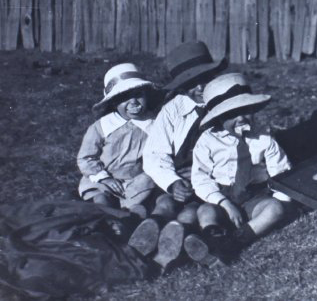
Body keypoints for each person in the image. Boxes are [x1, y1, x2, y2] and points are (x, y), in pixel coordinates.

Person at [132, 41, 227, 266]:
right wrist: (172, 182)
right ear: (181, 87)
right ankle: (150, 231)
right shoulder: (173, 110)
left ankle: (177, 235)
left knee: (193, 211)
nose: (201, 88)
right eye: (191, 84)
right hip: (179, 178)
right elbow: (155, 153)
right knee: (165, 203)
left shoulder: (228, 105)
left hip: (212, 180)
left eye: (206, 79)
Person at [192, 73, 293, 254]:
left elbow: (281, 172)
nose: (241, 119)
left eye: (245, 110)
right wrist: (224, 203)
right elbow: (200, 178)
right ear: (218, 118)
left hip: (254, 196)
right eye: (231, 114)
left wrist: (282, 204)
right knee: (205, 211)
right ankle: (212, 236)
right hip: (223, 197)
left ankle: (236, 241)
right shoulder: (207, 141)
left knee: (274, 209)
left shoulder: (263, 138)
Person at [77, 63, 158, 215]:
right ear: (113, 101)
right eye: (125, 97)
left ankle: (132, 216)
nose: (133, 102)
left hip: (136, 179)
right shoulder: (102, 126)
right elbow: (86, 157)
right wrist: (104, 178)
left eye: (138, 94)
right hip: (106, 176)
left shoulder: (154, 124)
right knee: (101, 197)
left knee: (147, 186)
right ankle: (105, 215)